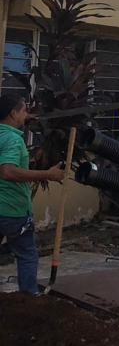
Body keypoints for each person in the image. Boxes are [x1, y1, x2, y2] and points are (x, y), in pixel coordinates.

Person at [0, 94, 65, 294]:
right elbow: (7, 171)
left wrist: (27, 120)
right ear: (13, 113)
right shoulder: (12, 140)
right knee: (27, 253)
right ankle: (28, 300)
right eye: (23, 110)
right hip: (12, 210)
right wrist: (49, 174)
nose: (26, 114)